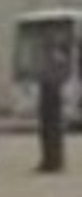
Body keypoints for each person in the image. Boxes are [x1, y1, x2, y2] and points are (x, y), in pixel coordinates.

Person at [37, 39, 68, 175]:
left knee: (54, 130)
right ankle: (47, 159)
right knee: (45, 131)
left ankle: (55, 161)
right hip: (45, 94)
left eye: (46, 46)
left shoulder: (58, 58)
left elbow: (62, 75)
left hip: (53, 94)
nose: (45, 49)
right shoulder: (45, 59)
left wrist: (53, 82)